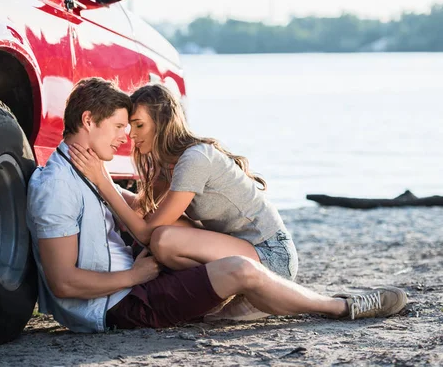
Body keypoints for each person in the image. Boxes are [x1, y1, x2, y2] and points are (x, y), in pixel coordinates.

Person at [26, 77, 408, 333]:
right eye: (120, 127)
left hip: (255, 255)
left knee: (167, 242)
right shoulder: (59, 184)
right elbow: (63, 282)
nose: (126, 137)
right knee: (216, 261)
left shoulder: (98, 173)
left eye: (134, 126)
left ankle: (257, 293)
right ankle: (340, 307)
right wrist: (134, 276)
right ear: (89, 120)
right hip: (122, 300)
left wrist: (105, 184)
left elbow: (142, 221)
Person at [67, 84, 298, 284]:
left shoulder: (194, 159)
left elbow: (146, 234)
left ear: (162, 123)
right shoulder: (167, 164)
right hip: (239, 248)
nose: (131, 136)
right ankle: (222, 291)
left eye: (139, 125)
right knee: (160, 224)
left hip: (271, 254)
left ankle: (229, 290)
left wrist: (102, 180)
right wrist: (95, 175)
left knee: (163, 240)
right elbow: (140, 209)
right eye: (129, 127)